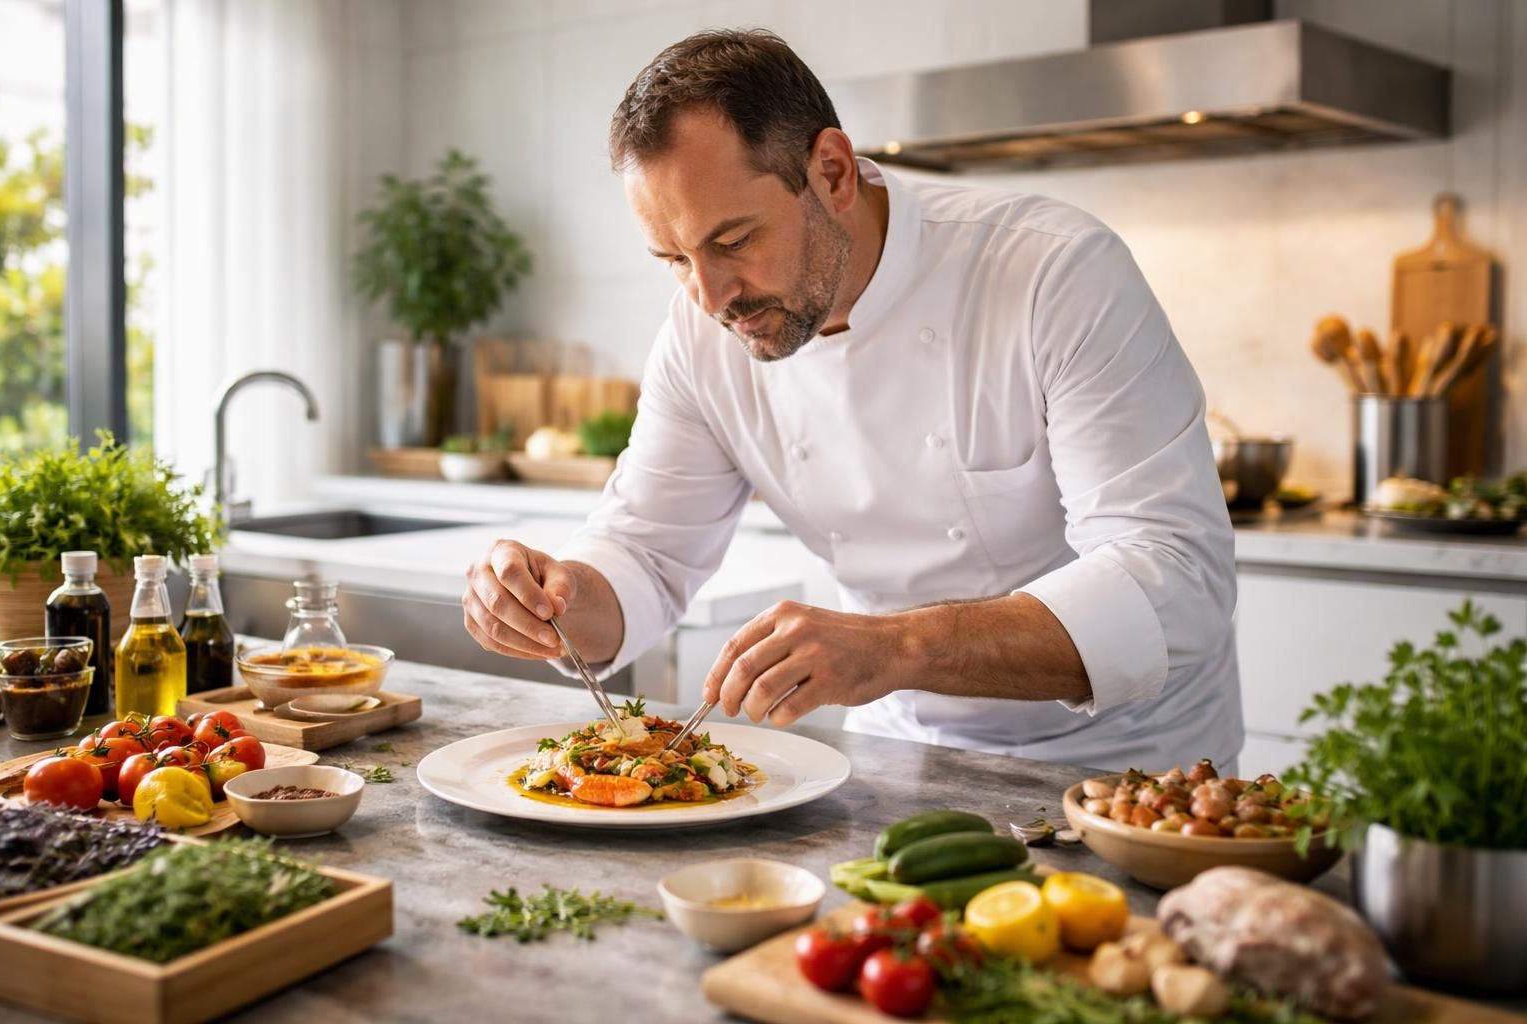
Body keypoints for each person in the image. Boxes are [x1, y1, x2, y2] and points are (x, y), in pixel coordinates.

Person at [463, 29, 1242, 771]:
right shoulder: (702, 332)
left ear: (832, 173)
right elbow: (645, 556)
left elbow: (1174, 582)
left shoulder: (1052, 274)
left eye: (732, 241)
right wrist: (552, 605)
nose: (710, 296)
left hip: (1124, 770)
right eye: (674, 259)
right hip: (902, 758)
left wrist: (893, 648)